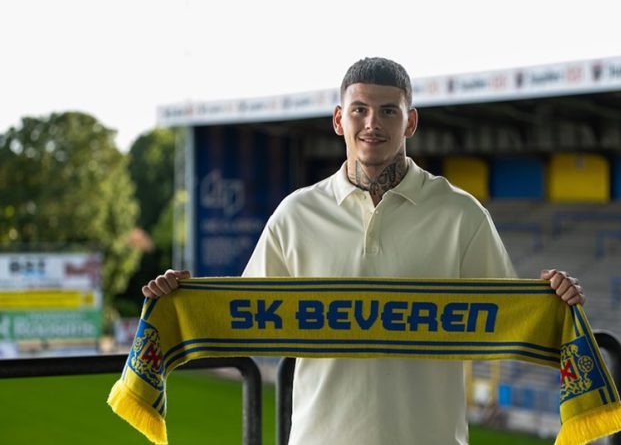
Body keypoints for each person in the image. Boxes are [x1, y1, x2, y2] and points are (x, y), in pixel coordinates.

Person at [143, 57, 585, 445]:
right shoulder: (295, 214)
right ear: (339, 120)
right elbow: (243, 318)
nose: (373, 123)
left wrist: (553, 297)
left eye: (389, 110)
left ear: (410, 122)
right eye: (360, 109)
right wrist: (179, 300)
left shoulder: (461, 215)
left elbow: (508, 321)